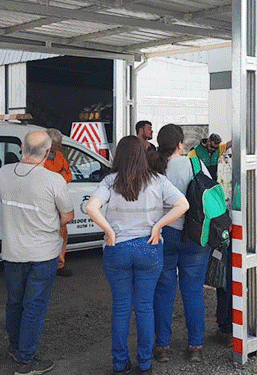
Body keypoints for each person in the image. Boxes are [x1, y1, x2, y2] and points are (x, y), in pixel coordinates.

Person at [85, 136, 189, 375]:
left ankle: (120, 365)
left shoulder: (110, 181)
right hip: (148, 247)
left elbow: (91, 207)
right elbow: (182, 205)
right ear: (142, 156)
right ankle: (145, 364)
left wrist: (109, 231)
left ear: (118, 156)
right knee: (144, 308)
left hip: (118, 248)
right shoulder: (158, 180)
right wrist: (158, 226)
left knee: (121, 308)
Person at [0, 130, 74, 375]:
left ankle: (15, 346)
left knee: (15, 303)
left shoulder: (4, 173)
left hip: (11, 251)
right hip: (43, 253)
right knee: (35, 307)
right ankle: (26, 358)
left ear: (22, 147)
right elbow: (67, 216)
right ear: (49, 152)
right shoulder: (53, 180)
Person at [151, 124, 212, 363]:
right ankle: (195, 345)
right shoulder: (195, 164)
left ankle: (162, 346)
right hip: (195, 235)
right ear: (180, 144)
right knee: (193, 289)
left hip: (163, 233)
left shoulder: (154, 168)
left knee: (163, 289)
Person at [43, 128, 74, 277]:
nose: (61, 146)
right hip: (45, 201)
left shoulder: (60, 156)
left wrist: (59, 178)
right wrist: (59, 177)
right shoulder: (39, 158)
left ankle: (59, 264)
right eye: (58, 144)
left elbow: (69, 174)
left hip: (59, 201)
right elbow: (43, 179)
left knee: (62, 232)